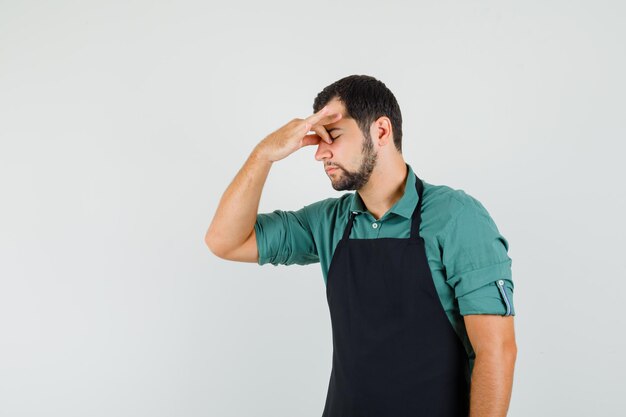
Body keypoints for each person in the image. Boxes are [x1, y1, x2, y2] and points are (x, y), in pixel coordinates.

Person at [205, 74, 517, 417]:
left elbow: (496, 350)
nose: (320, 152)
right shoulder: (330, 222)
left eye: (333, 135)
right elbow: (225, 241)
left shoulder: (456, 218)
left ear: (381, 131)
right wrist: (264, 154)